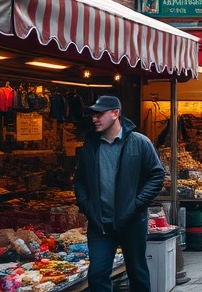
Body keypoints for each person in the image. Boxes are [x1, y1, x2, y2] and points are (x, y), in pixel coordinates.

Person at [74, 96, 165, 292]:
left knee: (137, 273)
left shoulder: (139, 142)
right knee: (97, 274)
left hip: (131, 221)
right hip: (100, 223)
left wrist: (137, 205)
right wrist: (87, 206)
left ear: (115, 113)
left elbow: (157, 175)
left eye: (99, 114)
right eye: (93, 114)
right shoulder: (90, 145)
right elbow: (80, 180)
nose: (94, 118)